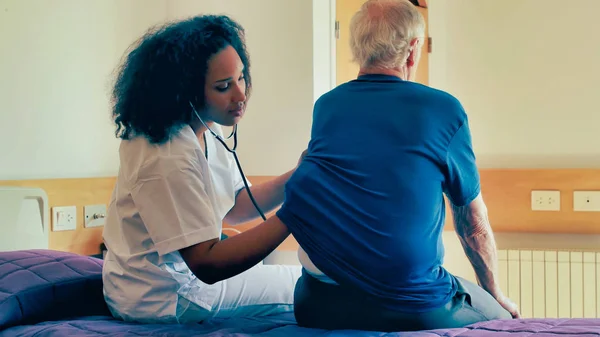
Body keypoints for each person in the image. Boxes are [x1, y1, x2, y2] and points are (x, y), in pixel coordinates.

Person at [276, 0, 519, 332]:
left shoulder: (327, 107)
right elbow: (473, 223)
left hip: (317, 304)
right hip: (412, 305)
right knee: (504, 321)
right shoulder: (443, 109)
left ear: (357, 48)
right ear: (413, 49)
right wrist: (495, 295)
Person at [101, 14, 303, 324]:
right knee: (301, 285)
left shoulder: (207, 125)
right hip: (161, 296)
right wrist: (298, 215)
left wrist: (301, 176)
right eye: (223, 87)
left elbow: (235, 205)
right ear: (187, 93)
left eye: (241, 77)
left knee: (296, 279)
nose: (241, 95)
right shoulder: (166, 155)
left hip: (184, 280)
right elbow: (206, 262)